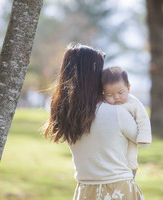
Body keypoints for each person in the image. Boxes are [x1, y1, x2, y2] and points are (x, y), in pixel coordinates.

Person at [43, 43, 145, 200]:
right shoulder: (117, 113)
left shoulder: (66, 115)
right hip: (117, 189)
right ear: (94, 74)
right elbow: (140, 136)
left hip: (85, 191)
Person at [101, 67, 152, 179]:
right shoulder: (103, 105)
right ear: (103, 93)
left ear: (128, 88)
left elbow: (143, 120)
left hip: (129, 161)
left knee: (129, 159)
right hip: (110, 153)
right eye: (110, 95)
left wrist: (144, 138)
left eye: (120, 92)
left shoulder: (133, 103)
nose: (116, 97)